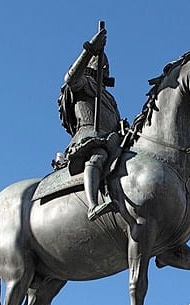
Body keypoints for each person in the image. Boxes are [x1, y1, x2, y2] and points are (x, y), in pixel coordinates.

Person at [58, 27, 121, 221]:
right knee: (98, 155)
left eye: (106, 66)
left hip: (111, 140)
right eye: (101, 64)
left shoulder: (109, 98)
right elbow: (70, 78)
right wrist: (90, 50)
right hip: (89, 139)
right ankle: (93, 205)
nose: (104, 68)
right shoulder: (83, 83)